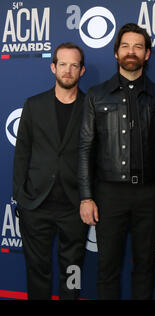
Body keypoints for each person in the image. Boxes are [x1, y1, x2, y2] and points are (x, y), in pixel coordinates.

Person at [78, 23, 155, 299]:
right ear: (116, 53)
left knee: (145, 267)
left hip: (149, 194)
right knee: (108, 268)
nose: (131, 52)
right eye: (125, 46)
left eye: (138, 47)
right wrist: (86, 197)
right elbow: (85, 148)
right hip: (109, 194)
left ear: (148, 54)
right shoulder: (96, 95)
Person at [13, 42, 88, 300]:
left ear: (82, 71)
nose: (68, 70)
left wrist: (89, 198)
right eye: (63, 64)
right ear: (53, 67)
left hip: (75, 205)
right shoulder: (33, 105)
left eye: (74, 65)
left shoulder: (92, 107)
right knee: (37, 271)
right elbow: (22, 152)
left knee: (73, 269)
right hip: (36, 205)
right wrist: (21, 197)